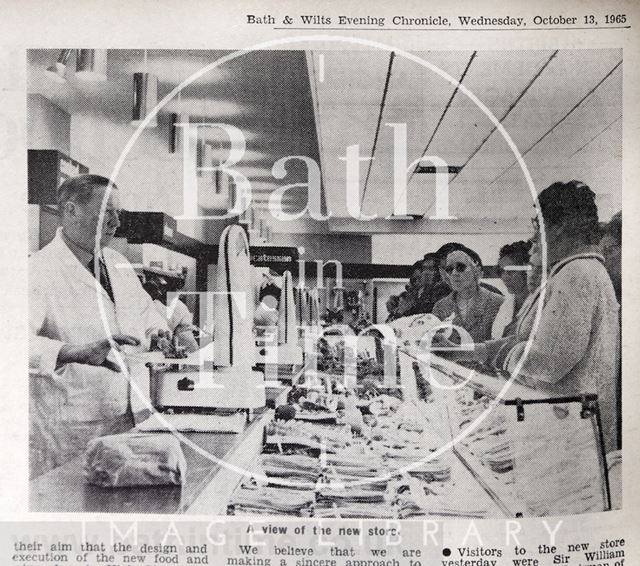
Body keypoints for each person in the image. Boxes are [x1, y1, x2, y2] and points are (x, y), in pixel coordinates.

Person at [441, 181, 620, 453]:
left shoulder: (577, 274)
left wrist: (501, 356)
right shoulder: (569, 273)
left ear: (558, 226)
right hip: (564, 431)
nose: (535, 237)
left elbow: (547, 361)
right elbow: (525, 340)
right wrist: (464, 352)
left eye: (538, 225)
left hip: (571, 439)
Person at [29, 174, 171, 476]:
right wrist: (72, 351)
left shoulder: (117, 262)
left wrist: (157, 332)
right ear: (71, 210)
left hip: (129, 415)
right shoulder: (37, 270)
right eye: (108, 211)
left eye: (118, 213)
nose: (116, 222)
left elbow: (147, 314)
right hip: (70, 427)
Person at [432, 245, 504, 342]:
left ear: (476, 270)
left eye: (460, 267)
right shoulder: (440, 307)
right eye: (449, 269)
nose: (454, 273)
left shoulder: (497, 303)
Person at [143, 274, 199, 353]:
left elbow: (165, 328)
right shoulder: (177, 303)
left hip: (183, 340)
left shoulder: (158, 305)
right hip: (186, 340)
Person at [492, 240, 532, 338]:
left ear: (526, 271)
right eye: (501, 271)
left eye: (510, 271)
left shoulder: (539, 304)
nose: (504, 277)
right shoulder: (506, 306)